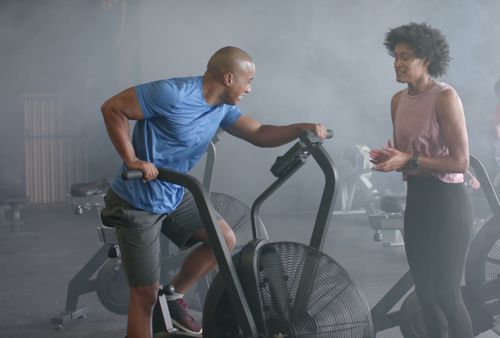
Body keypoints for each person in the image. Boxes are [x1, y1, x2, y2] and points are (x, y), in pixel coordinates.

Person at [100, 46, 327, 338]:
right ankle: (154, 301)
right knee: (144, 295)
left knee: (224, 238)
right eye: (249, 81)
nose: (251, 88)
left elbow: (258, 133)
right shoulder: (172, 93)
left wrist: (300, 128)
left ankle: (172, 296)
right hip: (137, 200)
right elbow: (113, 107)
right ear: (230, 78)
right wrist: (131, 159)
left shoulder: (222, 108)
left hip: (173, 191)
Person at [369, 23, 474, 338]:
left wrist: (410, 160)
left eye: (406, 56)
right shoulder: (397, 101)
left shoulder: (445, 97)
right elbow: (406, 154)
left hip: (448, 203)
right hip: (417, 201)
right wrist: (393, 159)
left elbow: (461, 161)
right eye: (395, 56)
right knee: (425, 295)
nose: (398, 63)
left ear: (426, 59)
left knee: (446, 292)